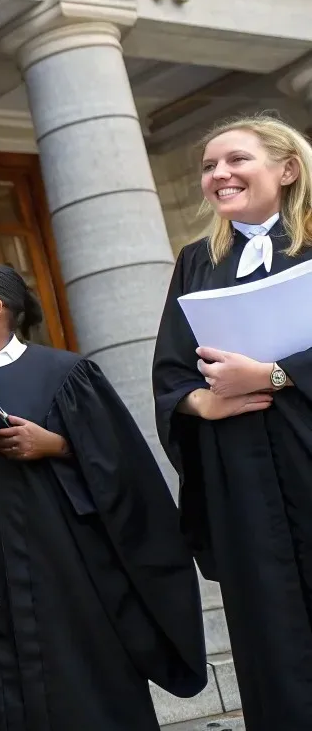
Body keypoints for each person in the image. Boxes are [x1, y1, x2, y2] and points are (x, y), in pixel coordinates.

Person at [0, 263, 206, 731]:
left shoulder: (64, 373)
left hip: (63, 572)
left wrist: (56, 444)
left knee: (81, 689)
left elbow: (124, 470)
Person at [153, 114, 312, 731]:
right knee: (270, 630)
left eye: (236, 160)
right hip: (242, 480)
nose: (219, 174)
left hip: (304, 452)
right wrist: (203, 403)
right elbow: (171, 371)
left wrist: (274, 375)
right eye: (209, 166)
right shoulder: (196, 261)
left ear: (287, 168)